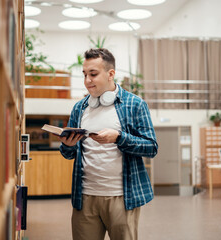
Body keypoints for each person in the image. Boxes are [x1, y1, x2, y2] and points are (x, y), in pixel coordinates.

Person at [59, 48, 158, 240]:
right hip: (85, 197)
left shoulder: (135, 104)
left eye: (93, 74)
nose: (87, 80)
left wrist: (119, 138)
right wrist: (68, 145)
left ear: (111, 74)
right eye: (85, 74)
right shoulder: (79, 108)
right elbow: (68, 154)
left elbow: (151, 147)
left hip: (122, 198)